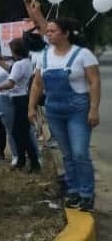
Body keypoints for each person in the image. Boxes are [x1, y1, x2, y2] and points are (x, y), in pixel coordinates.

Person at [29, 18, 101, 212]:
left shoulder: (82, 54)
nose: (48, 34)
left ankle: (87, 194)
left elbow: (94, 82)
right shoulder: (42, 56)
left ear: (66, 33)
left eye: (53, 31)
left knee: (79, 152)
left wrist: (94, 109)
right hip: (54, 110)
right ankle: (74, 190)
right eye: (48, 31)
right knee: (67, 154)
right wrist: (31, 107)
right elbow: (37, 84)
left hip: (78, 109)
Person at [0, 38, 41, 172]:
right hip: (24, 98)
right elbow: (11, 69)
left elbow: (11, 82)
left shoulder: (19, 64)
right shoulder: (26, 62)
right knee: (20, 132)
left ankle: (33, 162)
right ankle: (22, 159)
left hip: (18, 99)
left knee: (20, 133)